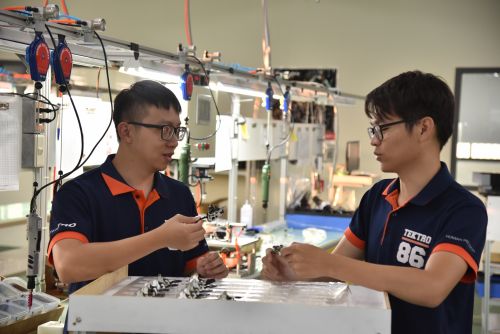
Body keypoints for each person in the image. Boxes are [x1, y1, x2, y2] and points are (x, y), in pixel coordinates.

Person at [262, 71, 487, 334]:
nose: (373, 139)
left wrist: (328, 263)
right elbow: (336, 268)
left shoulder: (464, 209)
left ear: (424, 128)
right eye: (373, 129)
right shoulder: (377, 197)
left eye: (383, 128)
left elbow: (432, 287)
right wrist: (294, 274)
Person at [48, 80, 228, 297]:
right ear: (126, 132)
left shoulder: (179, 195)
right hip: (98, 328)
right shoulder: (78, 193)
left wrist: (204, 268)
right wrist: (160, 238)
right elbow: (69, 265)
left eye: (177, 130)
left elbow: (190, 263)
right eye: (164, 130)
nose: (173, 142)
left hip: (163, 325)